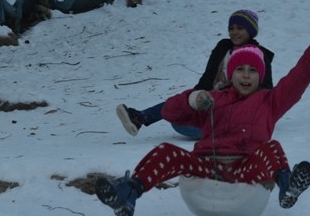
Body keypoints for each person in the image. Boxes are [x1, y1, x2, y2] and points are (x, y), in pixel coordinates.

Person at [95, 9, 310, 216]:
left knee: (272, 148)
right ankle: (128, 194)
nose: (246, 75)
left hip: (246, 169)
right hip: (207, 166)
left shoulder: (270, 101)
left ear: (260, 76)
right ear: (230, 74)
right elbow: (171, 112)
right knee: (165, 151)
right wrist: (192, 100)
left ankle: (287, 186)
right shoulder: (214, 101)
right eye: (240, 70)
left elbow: (299, 78)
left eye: (252, 71)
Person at [116, 9, 275, 140]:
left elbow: (266, 90)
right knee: (179, 107)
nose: (234, 32)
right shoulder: (223, 47)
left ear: (251, 31)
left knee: (182, 123)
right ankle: (141, 117)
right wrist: (193, 97)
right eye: (231, 28)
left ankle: (227, 130)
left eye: (240, 28)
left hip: (235, 113)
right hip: (212, 100)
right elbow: (208, 77)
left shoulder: (258, 54)